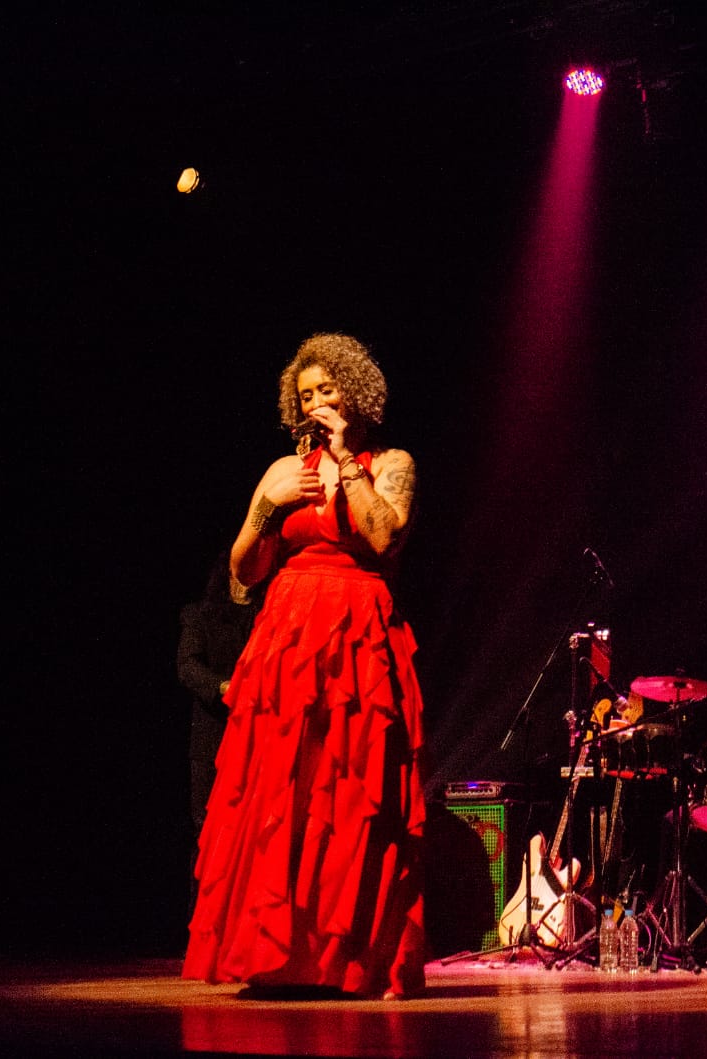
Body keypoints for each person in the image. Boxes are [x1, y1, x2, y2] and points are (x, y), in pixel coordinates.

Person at [183, 332, 427, 998]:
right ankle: (274, 955)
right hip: (288, 638)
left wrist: (347, 462)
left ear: (356, 392)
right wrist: (267, 507)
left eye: (327, 389)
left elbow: (385, 535)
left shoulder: (390, 462)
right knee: (281, 790)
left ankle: (344, 959)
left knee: (348, 792)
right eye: (307, 393)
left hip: (358, 637)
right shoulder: (282, 471)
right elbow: (243, 572)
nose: (316, 401)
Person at [176, 552, 261, 841]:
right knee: (209, 834)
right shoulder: (200, 615)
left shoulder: (267, 616)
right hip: (212, 741)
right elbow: (187, 667)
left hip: (258, 739)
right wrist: (226, 687)